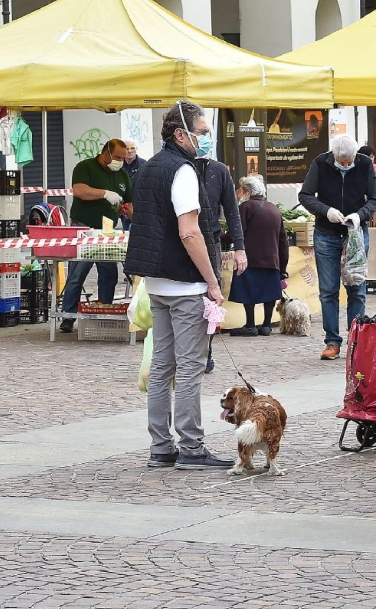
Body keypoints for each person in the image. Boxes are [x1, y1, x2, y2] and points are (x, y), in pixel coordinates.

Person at [123, 100, 233, 471]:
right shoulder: (183, 171)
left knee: (161, 366)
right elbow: (190, 232)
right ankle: (191, 446)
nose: (206, 139)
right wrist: (212, 281)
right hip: (184, 283)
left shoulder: (150, 167)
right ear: (181, 134)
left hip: (156, 281)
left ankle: (160, 446)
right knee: (189, 367)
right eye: (202, 132)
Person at [298, 134, 376, 360]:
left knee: (357, 289)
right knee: (328, 291)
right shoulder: (320, 163)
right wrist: (326, 211)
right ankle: (332, 341)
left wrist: (359, 215)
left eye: (349, 161)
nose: (346, 165)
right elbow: (305, 195)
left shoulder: (365, 164)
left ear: (356, 155)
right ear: (333, 155)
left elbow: (375, 199)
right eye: (341, 162)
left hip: (356, 233)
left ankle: (357, 341)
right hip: (327, 234)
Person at [60, 138, 133, 333]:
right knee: (78, 272)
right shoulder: (85, 167)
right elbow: (79, 190)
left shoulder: (123, 176)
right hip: (83, 228)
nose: (120, 161)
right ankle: (68, 315)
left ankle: (105, 310)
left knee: (109, 273)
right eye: (117, 157)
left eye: (123, 158)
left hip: (107, 230)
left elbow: (130, 203)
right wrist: (104, 193)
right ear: (106, 153)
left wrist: (128, 210)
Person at [199, 154, 246, 372]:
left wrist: (240, 247)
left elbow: (232, 211)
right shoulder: (174, 166)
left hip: (210, 243)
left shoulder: (219, 170)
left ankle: (206, 352)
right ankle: (185, 353)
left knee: (212, 298)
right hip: (178, 243)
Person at [226, 175, 288, 336]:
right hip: (271, 260)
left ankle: (250, 324)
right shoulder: (274, 209)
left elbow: (236, 233)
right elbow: (283, 241)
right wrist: (283, 267)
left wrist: (217, 237)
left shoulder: (245, 208)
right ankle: (266, 325)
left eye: (241, 190)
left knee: (248, 292)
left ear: (247, 191)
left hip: (250, 260)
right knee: (268, 293)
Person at [119, 139, 146, 230]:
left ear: (136, 149)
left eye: (132, 148)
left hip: (140, 208)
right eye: (127, 148)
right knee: (126, 235)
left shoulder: (144, 165)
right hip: (124, 208)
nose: (130, 151)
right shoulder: (118, 165)